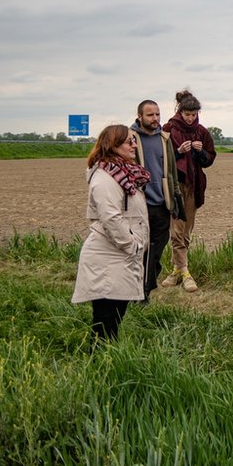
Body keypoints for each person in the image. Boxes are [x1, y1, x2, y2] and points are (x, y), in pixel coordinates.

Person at [72, 125, 149, 341]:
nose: (134, 145)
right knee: (105, 322)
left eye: (134, 140)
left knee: (114, 318)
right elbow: (111, 217)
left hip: (118, 256)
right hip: (108, 257)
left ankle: (106, 362)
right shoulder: (104, 178)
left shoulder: (123, 173)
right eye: (128, 141)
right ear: (112, 145)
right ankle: (98, 364)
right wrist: (132, 244)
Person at [161, 90, 217, 293]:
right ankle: (185, 272)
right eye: (187, 114)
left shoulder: (202, 131)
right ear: (180, 111)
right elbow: (162, 160)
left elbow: (210, 159)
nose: (191, 118)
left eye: (194, 114)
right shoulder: (168, 129)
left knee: (186, 231)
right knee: (176, 230)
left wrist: (200, 151)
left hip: (194, 186)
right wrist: (178, 152)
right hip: (175, 186)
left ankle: (176, 271)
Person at [129, 100, 183, 301]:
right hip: (139, 206)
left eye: (158, 114)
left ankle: (146, 289)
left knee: (156, 252)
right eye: (150, 115)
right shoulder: (130, 138)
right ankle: (139, 293)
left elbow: (171, 172)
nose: (155, 119)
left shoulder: (164, 138)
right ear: (140, 116)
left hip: (162, 205)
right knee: (140, 251)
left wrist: (175, 200)